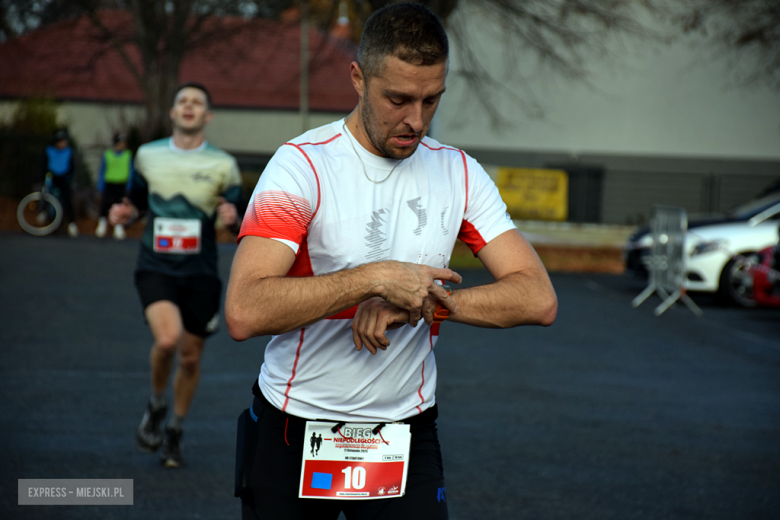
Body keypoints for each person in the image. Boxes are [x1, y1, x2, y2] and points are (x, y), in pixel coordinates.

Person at [226, 3, 557, 519]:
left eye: (431, 99)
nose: (416, 120)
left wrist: (425, 303)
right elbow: (244, 310)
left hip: (404, 430)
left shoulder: (458, 173)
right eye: (398, 99)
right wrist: (375, 278)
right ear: (358, 78)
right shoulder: (302, 166)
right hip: (295, 426)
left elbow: (537, 297)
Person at [109, 82, 244, 468]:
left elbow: (238, 218)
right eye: (182, 100)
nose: (189, 106)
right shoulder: (147, 155)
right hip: (156, 266)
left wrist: (232, 218)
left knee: (189, 358)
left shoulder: (224, 164)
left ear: (207, 116)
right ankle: (156, 405)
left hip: (201, 272)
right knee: (167, 340)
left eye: (197, 102)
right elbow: (135, 204)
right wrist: (125, 214)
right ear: (172, 112)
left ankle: (175, 431)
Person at [96, 133, 133, 240]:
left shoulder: (128, 155)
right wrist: (100, 185)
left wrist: (129, 185)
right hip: (109, 182)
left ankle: (119, 227)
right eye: (121, 142)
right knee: (105, 204)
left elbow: (131, 171)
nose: (123, 145)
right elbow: (102, 170)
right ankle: (102, 224)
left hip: (121, 183)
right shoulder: (107, 154)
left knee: (121, 205)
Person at [45, 130, 78, 237]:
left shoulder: (68, 152)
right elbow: (45, 165)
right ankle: (48, 220)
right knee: (48, 198)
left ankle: (71, 224)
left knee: (67, 201)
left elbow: (72, 166)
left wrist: (69, 178)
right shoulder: (49, 151)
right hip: (53, 178)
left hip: (64, 179)